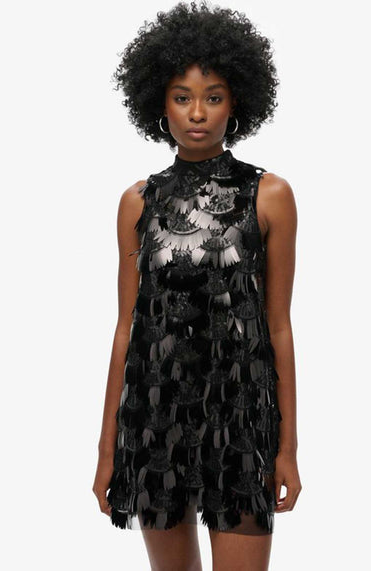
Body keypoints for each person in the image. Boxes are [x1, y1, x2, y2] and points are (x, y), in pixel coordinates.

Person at [92, 1, 302, 569]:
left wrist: (287, 448)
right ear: (160, 105)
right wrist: (109, 450)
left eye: (214, 96)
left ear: (237, 103)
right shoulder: (137, 202)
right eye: (182, 97)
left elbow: (279, 327)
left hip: (241, 420)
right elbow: (126, 328)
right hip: (154, 420)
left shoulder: (270, 196)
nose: (198, 113)